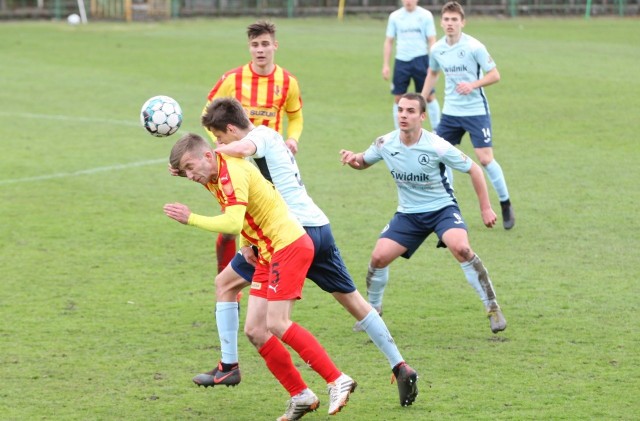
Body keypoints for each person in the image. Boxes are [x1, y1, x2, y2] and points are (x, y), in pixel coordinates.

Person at [188, 97, 418, 408]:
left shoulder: (260, 137)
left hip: (287, 234)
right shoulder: (268, 139)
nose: (219, 144)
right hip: (316, 226)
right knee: (353, 301)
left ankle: (231, 367)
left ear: (231, 129)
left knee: (238, 294)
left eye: (219, 137)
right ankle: (399, 364)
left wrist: (205, 156)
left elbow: (241, 152)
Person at [164, 133, 356, 420]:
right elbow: (242, 208)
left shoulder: (232, 171)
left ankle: (337, 379)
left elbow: (232, 221)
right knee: (255, 330)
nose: (190, 176)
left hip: (288, 244)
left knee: (277, 322)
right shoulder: (211, 170)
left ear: (207, 156)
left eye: (191, 168)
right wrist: (184, 170)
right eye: (186, 171)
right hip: (265, 251)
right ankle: (300, 395)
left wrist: (190, 218)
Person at [339, 93, 507, 335]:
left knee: (461, 248)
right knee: (378, 258)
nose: (403, 115)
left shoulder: (437, 145)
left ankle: (492, 307)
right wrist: (352, 158)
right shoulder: (385, 143)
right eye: (400, 110)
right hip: (408, 215)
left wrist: (485, 207)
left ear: (422, 116)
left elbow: (475, 170)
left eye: (410, 111)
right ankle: (372, 311)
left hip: (442, 210)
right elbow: (362, 162)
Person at [204, 20, 304, 276]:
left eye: (265, 44)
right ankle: (227, 275)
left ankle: (268, 276)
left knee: (275, 223)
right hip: (237, 161)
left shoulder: (288, 81)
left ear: (275, 46)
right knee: (232, 226)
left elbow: (295, 116)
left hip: (269, 165)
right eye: (255, 45)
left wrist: (293, 138)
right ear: (249, 47)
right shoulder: (233, 79)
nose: (260, 50)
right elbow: (208, 112)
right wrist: (217, 139)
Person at [420, 1, 515, 230]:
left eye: (455, 19)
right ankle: (449, 206)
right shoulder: (437, 49)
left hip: (475, 112)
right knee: (439, 156)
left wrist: (473, 84)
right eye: (447, 19)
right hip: (451, 113)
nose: (450, 23)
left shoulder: (475, 47)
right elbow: (433, 72)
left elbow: (495, 75)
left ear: (463, 22)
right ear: (441, 22)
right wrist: (421, 101)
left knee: (485, 159)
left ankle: (505, 203)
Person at [383, 0, 441, 131]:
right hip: (401, 61)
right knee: (398, 97)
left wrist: (433, 62)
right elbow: (389, 41)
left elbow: (432, 40)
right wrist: (386, 65)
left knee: (429, 96)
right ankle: (399, 131)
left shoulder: (426, 15)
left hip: (421, 59)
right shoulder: (395, 16)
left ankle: (438, 130)